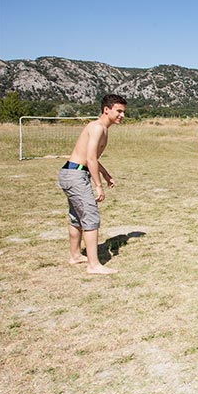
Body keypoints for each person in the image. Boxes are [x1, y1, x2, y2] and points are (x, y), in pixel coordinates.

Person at [58, 94, 126, 275]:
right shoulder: (97, 128)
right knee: (90, 217)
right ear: (107, 110)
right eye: (118, 111)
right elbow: (89, 158)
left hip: (73, 172)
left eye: (123, 112)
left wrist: (106, 174)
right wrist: (98, 186)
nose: (122, 115)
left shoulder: (102, 128)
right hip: (75, 174)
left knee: (76, 217)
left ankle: (75, 255)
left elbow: (92, 157)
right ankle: (93, 265)